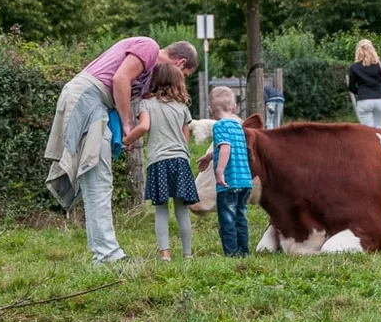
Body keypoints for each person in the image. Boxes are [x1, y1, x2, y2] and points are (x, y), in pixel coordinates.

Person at [44, 38, 197, 265]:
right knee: (98, 179)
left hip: (96, 104)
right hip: (87, 98)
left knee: (98, 179)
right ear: (180, 62)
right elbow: (120, 79)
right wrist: (127, 125)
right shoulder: (149, 47)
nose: (179, 80)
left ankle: (104, 253)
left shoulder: (148, 76)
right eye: (184, 75)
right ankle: (107, 255)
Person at [122, 64, 199, 261]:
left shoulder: (146, 105)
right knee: (182, 210)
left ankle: (165, 254)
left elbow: (144, 126)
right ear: (177, 82)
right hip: (180, 161)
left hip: (158, 161)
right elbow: (185, 136)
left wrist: (126, 140)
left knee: (161, 210)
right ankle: (187, 254)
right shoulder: (182, 107)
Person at [197, 86, 253, 256]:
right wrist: (209, 157)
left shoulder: (219, 126)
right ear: (234, 107)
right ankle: (243, 251)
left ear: (211, 110)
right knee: (240, 218)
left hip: (228, 182)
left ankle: (231, 253)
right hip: (245, 182)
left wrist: (219, 171)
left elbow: (225, 148)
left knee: (227, 219)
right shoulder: (238, 126)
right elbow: (229, 147)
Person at [348, 39, 381, 128]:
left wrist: (359, 92)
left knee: (368, 130)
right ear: (372, 49)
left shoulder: (354, 67)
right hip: (380, 98)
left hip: (364, 98)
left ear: (358, 51)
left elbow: (351, 87)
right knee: (379, 126)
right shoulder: (380, 64)